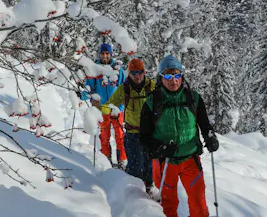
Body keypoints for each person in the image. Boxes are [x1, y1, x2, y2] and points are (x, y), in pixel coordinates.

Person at [139, 55, 219, 217]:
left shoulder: (193, 98)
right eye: (168, 76)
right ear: (161, 78)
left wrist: (210, 137)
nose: (173, 80)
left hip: (190, 159)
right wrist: (158, 148)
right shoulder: (152, 102)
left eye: (177, 75)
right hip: (166, 161)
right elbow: (144, 136)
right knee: (169, 206)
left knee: (199, 204)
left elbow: (204, 124)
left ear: (182, 76)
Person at [101, 59, 156, 190]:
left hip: (150, 134)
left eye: (140, 72)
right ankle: (131, 195)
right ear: (129, 74)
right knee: (135, 167)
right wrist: (99, 111)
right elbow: (109, 104)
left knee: (150, 167)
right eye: (134, 73)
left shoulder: (152, 87)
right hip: (133, 134)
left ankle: (148, 189)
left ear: (144, 72)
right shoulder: (124, 89)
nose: (138, 76)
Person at [81, 43, 127, 168]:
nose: (105, 56)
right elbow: (89, 87)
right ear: (99, 54)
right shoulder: (94, 69)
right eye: (103, 53)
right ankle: (106, 158)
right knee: (104, 135)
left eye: (107, 53)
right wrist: (82, 94)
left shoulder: (117, 69)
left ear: (110, 54)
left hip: (117, 108)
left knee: (120, 135)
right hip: (101, 109)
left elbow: (124, 87)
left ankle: (122, 159)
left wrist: (122, 106)